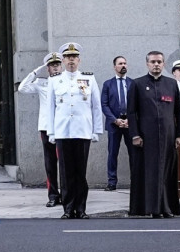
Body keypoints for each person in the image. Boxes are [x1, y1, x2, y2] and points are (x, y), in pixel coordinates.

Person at [46, 42, 103, 219]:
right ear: (62, 60)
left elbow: (96, 106)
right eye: (68, 57)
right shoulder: (55, 80)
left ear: (79, 60)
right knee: (65, 172)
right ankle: (68, 208)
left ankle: (81, 208)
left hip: (83, 131)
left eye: (74, 57)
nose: (71, 61)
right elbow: (50, 108)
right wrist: (51, 132)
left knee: (80, 172)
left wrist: (96, 130)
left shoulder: (89, 79)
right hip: (63, 131)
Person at [127, 50, 180, 218]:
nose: (156, 64)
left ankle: (167, 208)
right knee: (150, 173)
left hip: (168, 136)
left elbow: (179, 112)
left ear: (164, 64)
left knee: (167, 172)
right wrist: (135, 135)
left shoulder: (171, 84)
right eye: (153, 62)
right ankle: (150, 208)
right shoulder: (137, 84)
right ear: (147, 64)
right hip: (146, 137)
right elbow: (131, 112)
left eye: (159, 62)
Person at [18, 51, 64, 207]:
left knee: (64, 163)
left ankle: (65, 194)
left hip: (63, 127)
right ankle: (53, 195)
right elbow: (22, 88)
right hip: (46, 127)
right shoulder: (41, 82)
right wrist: (36, 72)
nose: (55, 68)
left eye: (57, 65)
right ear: (48, 69)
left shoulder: (66, 81)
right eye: (52, 66)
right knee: (50, 164)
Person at [100, 56, 134, 192]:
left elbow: (137, 104)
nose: (123, 65)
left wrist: (130, 120)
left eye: (125, 63)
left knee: (134, 153)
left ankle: (136, 180)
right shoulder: (108, 84)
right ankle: (112, 182)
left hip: (130, 124)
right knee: (112, 153)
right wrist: (115, 120)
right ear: (115, 66)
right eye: (120, 64)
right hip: (114, 124)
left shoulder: (133, 83)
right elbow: (104, 104)